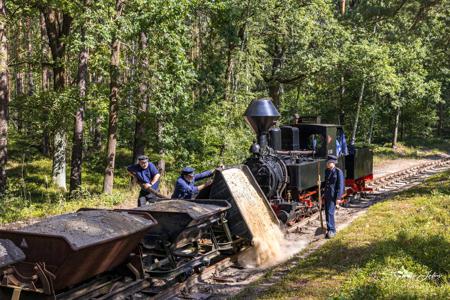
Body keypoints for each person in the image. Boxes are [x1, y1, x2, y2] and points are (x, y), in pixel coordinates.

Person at [324, 155, 344, 239]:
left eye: (329, 163)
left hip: (333, 196)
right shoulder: (327, 171)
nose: (327, 164)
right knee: (326, 212)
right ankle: (329, 229)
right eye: (327, 163)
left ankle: (332, 230)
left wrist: (338, 198)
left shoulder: (338, 172)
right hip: (327, 195)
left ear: (333, 163)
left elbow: (341, 185)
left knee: (330, 212)